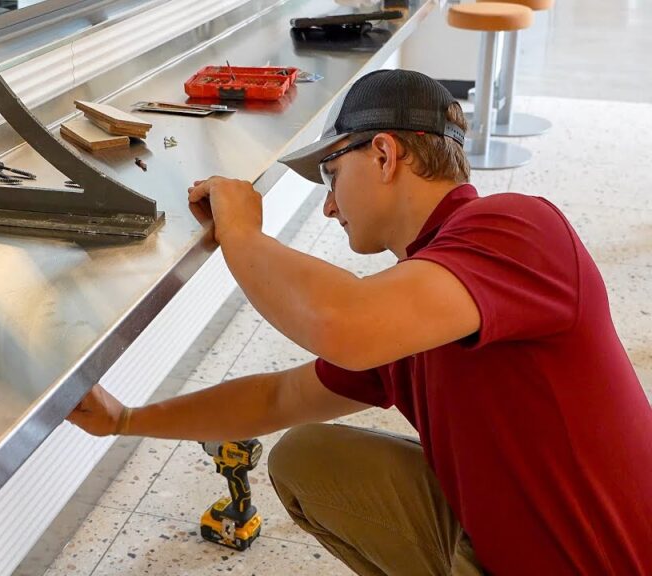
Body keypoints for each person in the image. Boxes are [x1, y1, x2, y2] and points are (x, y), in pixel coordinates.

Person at [66, 69, 652, 575]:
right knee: (307, 459)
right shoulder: (417, 306)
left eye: (330, 176)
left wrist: (242, 232)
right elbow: (277, 398)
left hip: (599, 561)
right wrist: (124, 420)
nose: (328, 204)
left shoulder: (520, 229)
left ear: (384, 154)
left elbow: (342, 322)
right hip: (502, 544)